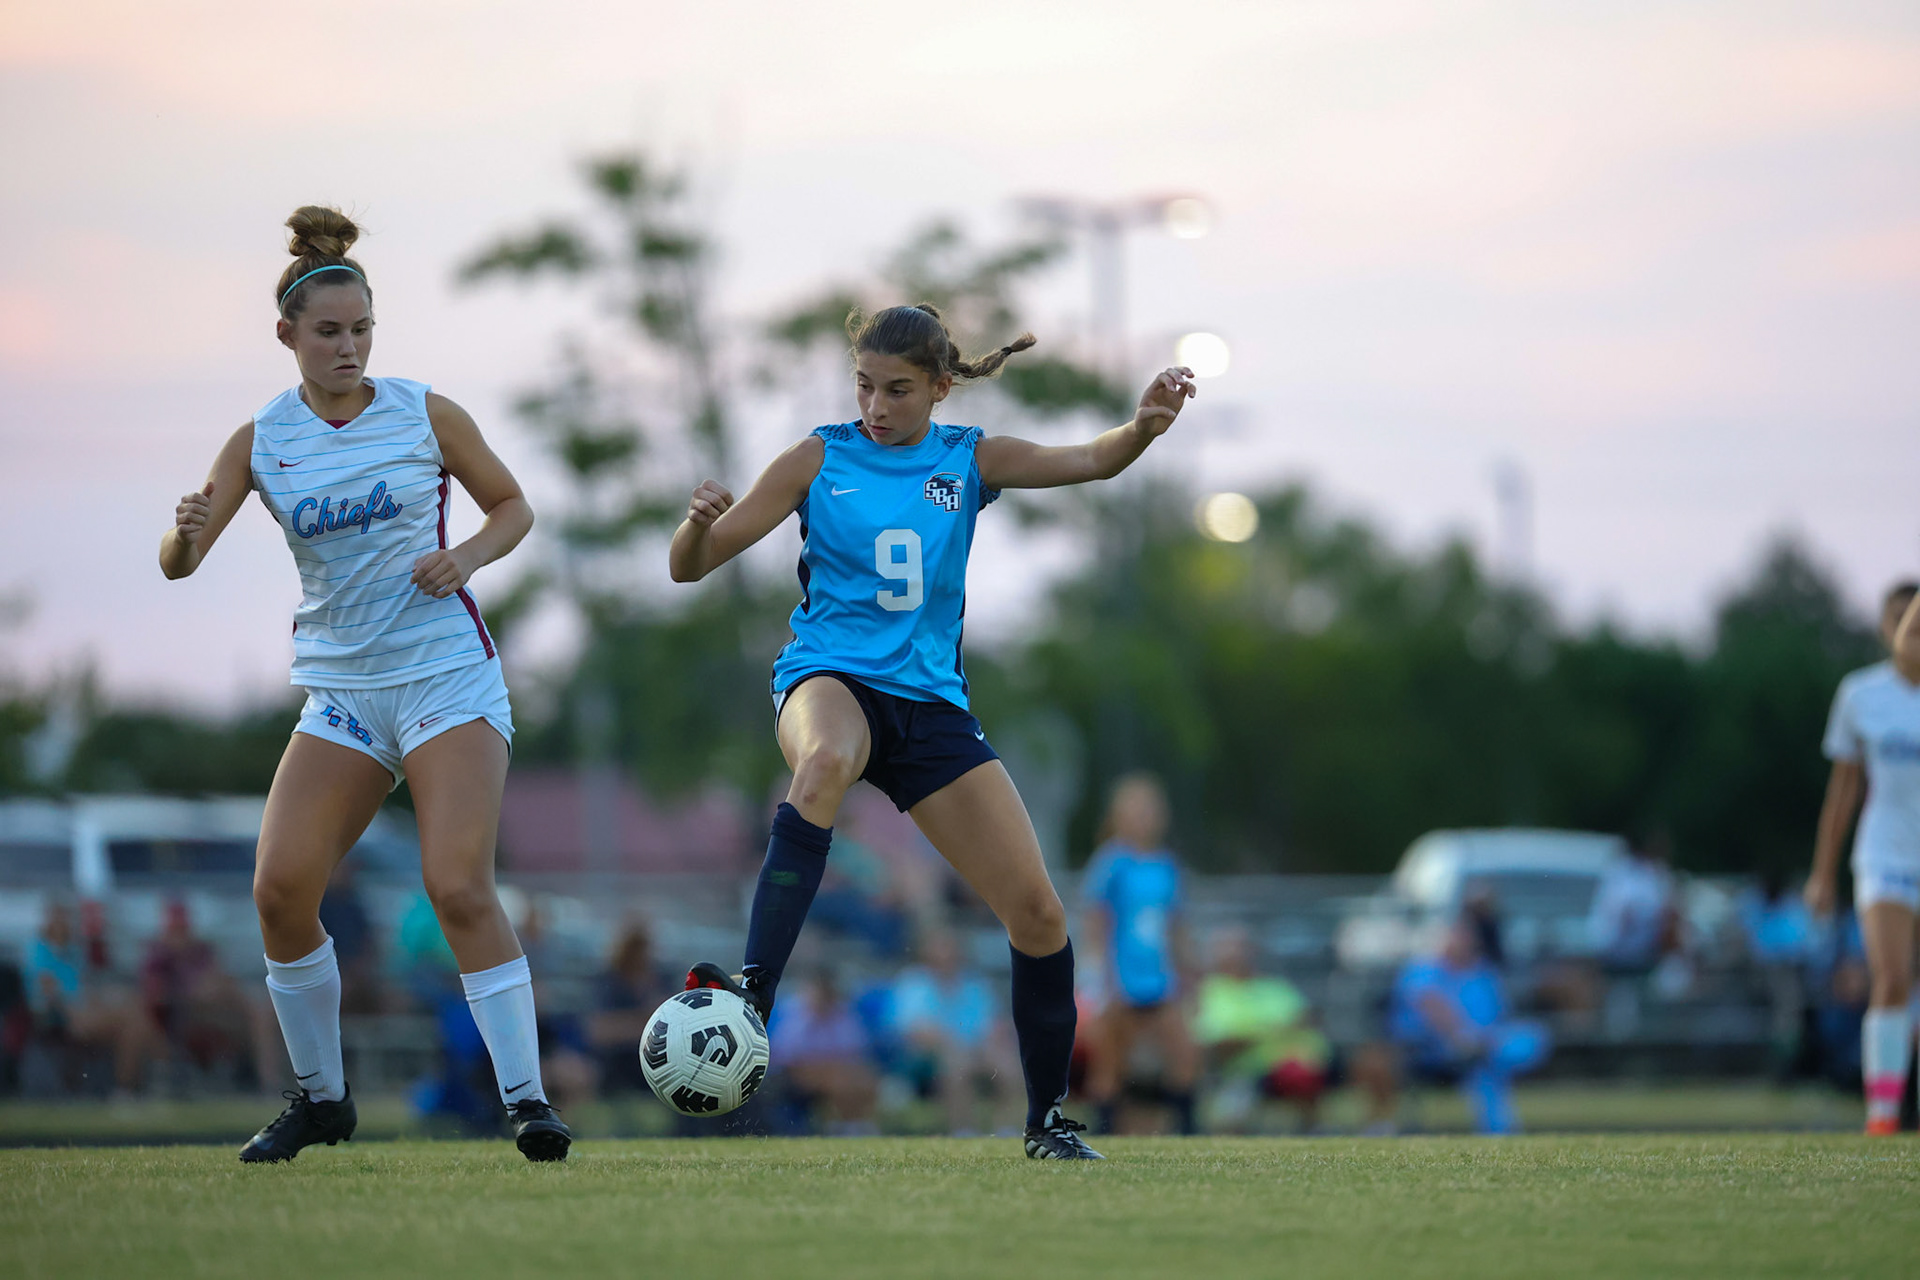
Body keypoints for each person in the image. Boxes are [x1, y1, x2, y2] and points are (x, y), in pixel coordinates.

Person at [669, 303, 1196, 1159]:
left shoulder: (968, 458)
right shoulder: (817, 457)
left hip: (929, 707)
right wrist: (695, 523)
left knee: (1039, 914)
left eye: (898, 390)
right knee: (825, 762)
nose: (876, 406)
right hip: (829, 679)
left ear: (941, 388)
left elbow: (1091, 460)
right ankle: (751, 998)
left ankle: (1046, 1122)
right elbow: (688, 567)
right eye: (864, 386)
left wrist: (1142, 427)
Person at [157, 206, 567, 1162]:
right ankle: (321, 1100)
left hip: (444, 678)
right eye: (329, 332)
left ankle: (529, 1103)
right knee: (279, 890)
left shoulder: (425, 412)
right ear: (287, 335)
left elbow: (513, 507)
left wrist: (467, 556)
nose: (348, 347)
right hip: (342, 693)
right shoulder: (260, 439)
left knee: (455, 884)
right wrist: (183, 530)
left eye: (361, 329)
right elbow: (180, 564)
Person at [1805, 580, 1920, 1134]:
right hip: (1884, 856)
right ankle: (1883, 1113)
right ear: (1884, 628)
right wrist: (1823, 873)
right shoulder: (1861, 694)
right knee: (1892, 977)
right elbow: (1843, 791)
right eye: (1901, 621)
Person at [1081, 773, 1200, 1136]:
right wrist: (1099, 976)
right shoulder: (1111, 863)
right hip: (1121, 977)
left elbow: (1175, 926)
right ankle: (1104, 1133)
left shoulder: (1166, 866)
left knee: (1184, 1053)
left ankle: (1187, 1132)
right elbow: (1097, 921)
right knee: (1111, 1063)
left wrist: (1190, 971)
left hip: (1159, 978)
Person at [1388, 917, 1551, 1135]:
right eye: (1457, 937)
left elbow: (1500, 1015)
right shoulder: (1424, 970)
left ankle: (1488, 1059)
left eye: (1467, 938)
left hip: (1485, 1044)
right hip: (1436, 1048)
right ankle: (1499, 1129)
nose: (1463, 943)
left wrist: (1482, 1041)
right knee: (1483, 1061)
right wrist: (1460, 1035)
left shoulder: (1482, 972)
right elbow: (1428, 1003)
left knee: (1529, 1037)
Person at [890, 930, 1021, 1136]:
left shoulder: (974, 984)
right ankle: (962, 1130)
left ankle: (1005, 1129)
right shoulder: (914, 983)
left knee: (1006, 1062)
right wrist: (953, 1046)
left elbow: (993, 1024)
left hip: (975, 1051)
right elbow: (915, 1029)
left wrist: (987, 1046)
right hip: (926, 1057)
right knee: (955, 1062)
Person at [23, 900, 158, 1095]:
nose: (62, 923)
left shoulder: (75, 952)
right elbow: (48, 993)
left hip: (87, 1010)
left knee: (132, 1025)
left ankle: (126, 1089)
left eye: (66, 918)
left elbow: (84, 987)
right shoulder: (37, 951)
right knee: (134, 1019)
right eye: (58, 918)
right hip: (62, 1017)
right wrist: (76, 1010)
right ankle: (159, 1069)